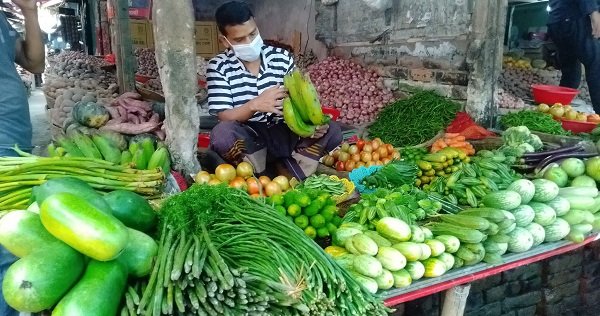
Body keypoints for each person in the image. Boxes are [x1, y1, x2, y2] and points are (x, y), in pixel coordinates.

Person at [206, 1, 342, 179]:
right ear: (224, 41)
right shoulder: (218, 66)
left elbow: (300, 101)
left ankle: (297, 171)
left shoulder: (281, 57)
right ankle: (259, 175)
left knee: (332, 129)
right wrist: (255, 105)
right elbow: (225, 116)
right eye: (239, 39)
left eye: (253, 34)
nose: (249, 42)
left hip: (286, 131)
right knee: (222, 135)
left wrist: (312, 127)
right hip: (250, 139)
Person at [0, 1, 45, 315]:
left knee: (11, 229)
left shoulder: (1, 17)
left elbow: (35, 63)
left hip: (13, 131)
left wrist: (30, 11)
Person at [548, 0, 600, 113]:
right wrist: (593, 12)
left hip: (558, 20)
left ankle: (557, 112)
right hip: (575, 18)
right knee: (596, 66)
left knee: (571, 72)